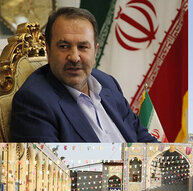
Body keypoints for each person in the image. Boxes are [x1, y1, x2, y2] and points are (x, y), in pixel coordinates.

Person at [10, 7, 157, 142]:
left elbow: (144, 141)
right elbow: (53, 169)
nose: (74, 57)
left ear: (95, 51)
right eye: (64, 46)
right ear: (48, 51)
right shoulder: (34, 101)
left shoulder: (108, 83)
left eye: (83, 47)